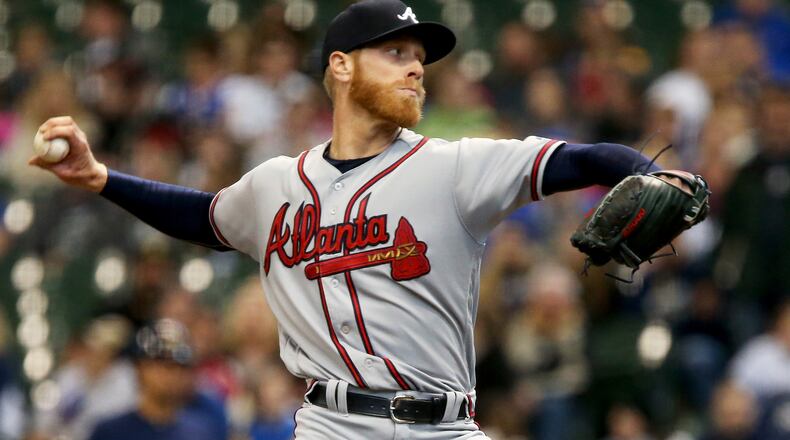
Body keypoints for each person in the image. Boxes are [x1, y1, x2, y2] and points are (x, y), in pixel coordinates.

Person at [30, 1, 699, 437]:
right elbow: (203, 217)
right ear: (342, 67)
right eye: (396, 53)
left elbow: (582, 158)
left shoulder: (455, 166)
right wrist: (102, 179)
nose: (416, 70)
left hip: (447, 424)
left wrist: (652, 172)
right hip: (333, 424)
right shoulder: (275, 184)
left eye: (420, 59)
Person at [88, 319, 221, 440]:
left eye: (180, 366)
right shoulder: (110, 432)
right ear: (139, 368)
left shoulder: (202, 431)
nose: (172, 373)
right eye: (161, 363)